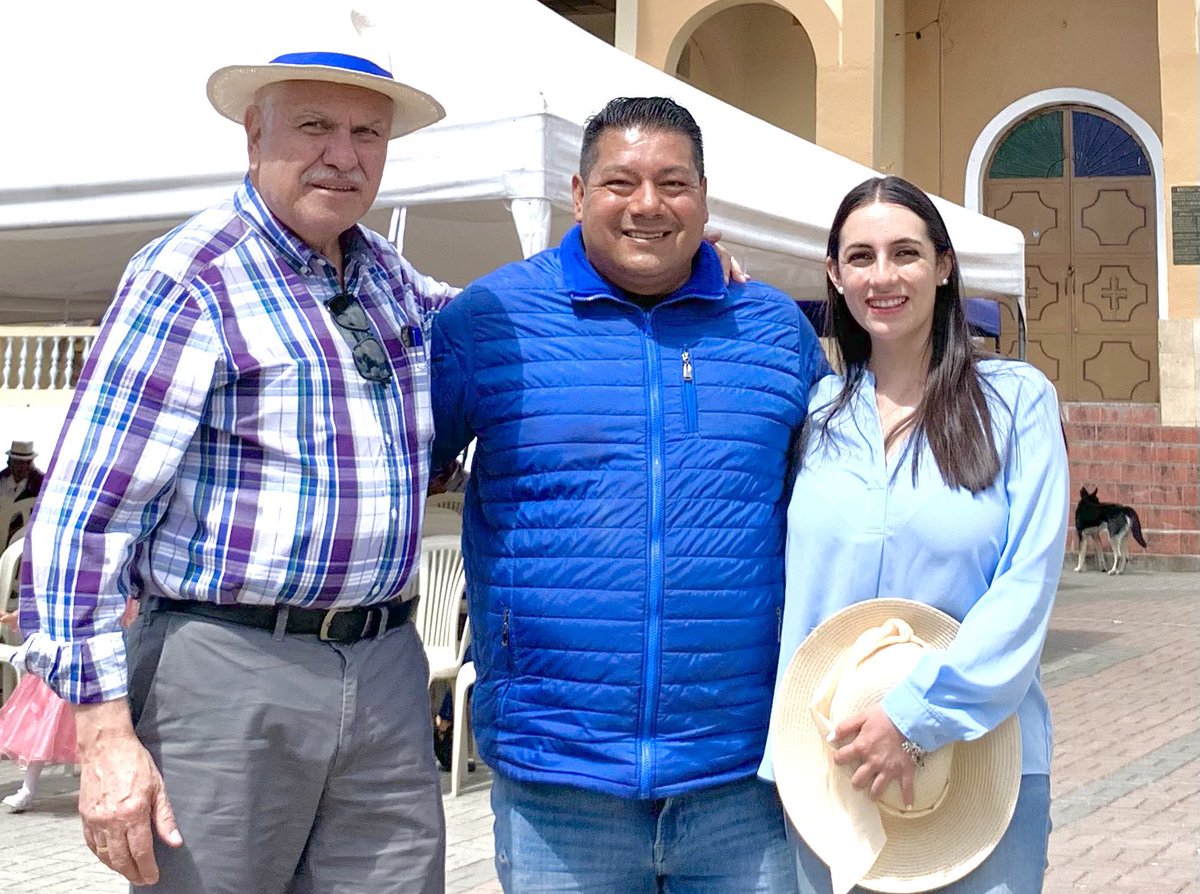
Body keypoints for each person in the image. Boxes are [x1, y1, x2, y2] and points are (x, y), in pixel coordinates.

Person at [19, 13, 455, 893]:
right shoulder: (191, 277)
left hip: (384, 673)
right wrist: (103, 735)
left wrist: (663, 260)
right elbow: (83, 516)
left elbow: (511, 318)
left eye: (366, 131)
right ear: (253, 134)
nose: (343, 153)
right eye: (313, 127)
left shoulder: (390, 281)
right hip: (226, 674)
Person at [431, 96, 829, 893]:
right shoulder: (492, 320)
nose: (648, 204)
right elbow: (402, 473)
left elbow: (843, 506)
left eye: (674, 183)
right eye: (621, 181)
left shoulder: (774, 331)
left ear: (706, 199)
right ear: (578, 195)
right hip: (560, 778)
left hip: (742, 773)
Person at [760, 175, 1069, 892]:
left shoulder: (1016, 403)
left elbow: (1027, 584)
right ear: (834, 275)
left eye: (905, 253)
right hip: (827, 768)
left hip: (978, 759)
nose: (883, 276)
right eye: (860, 257)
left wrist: (912, 714)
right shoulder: (815, 412)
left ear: (944, 265)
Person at [0, 441, 44, 547]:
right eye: (18, 462)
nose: (22, 467)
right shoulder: (2, 480)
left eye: (26, 462)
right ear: (10, 462)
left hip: (19, 537)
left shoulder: (39, 485)